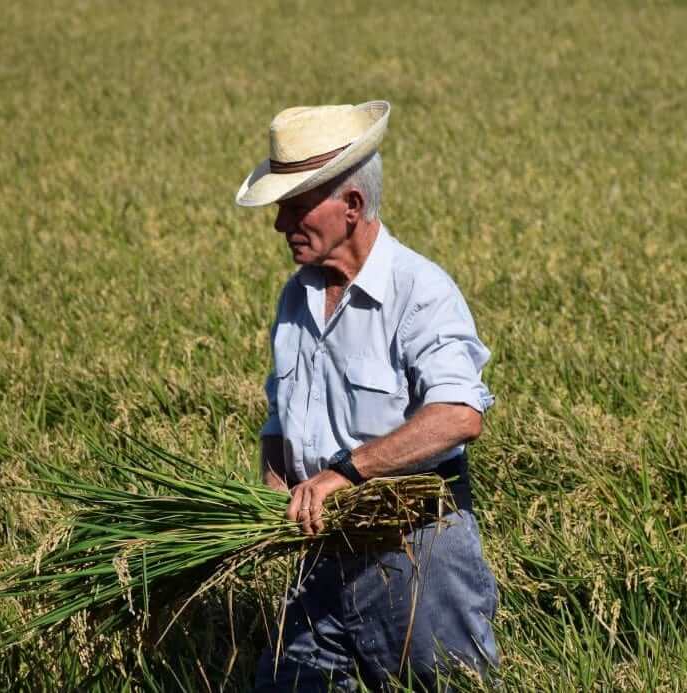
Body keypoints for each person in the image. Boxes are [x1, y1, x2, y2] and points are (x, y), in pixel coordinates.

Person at [234, 101, 500, 691]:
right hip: (319, 556)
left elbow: (458, 416)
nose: (280, 225)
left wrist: (343, 475)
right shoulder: (294, 298)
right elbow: (279, 417)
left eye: (295, 208)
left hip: (414, 554)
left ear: (351, 206)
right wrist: (276, 488)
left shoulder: (420, 292)